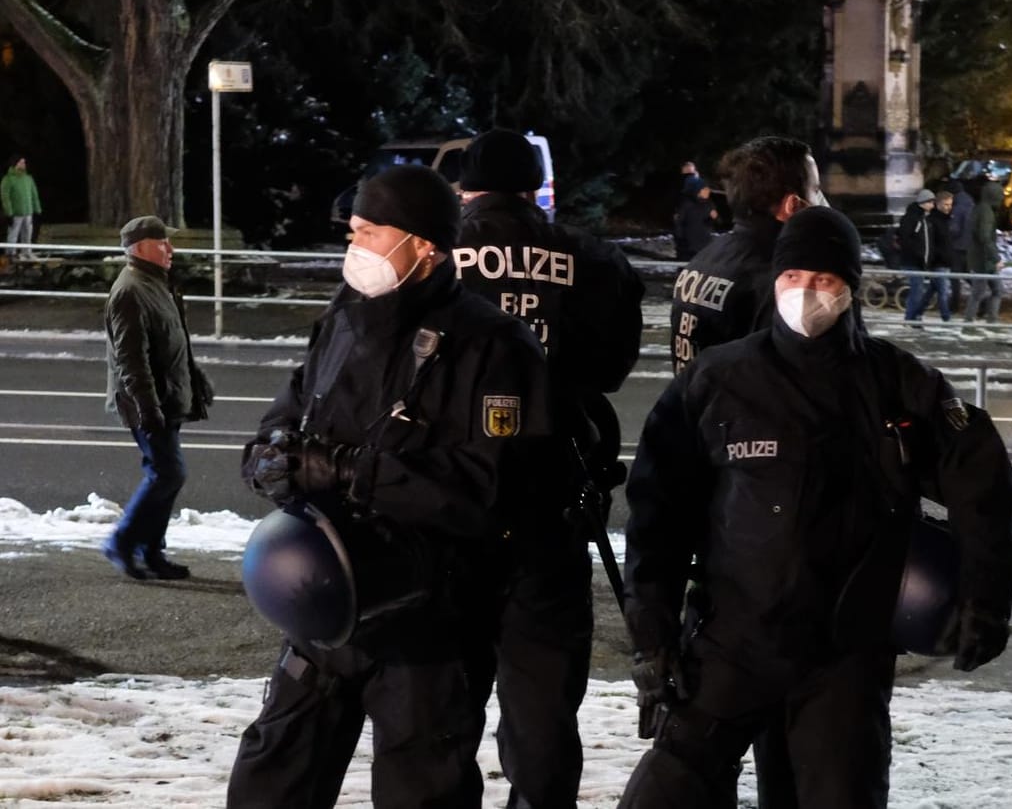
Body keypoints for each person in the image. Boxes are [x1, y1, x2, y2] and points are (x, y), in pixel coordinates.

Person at [618, 206, 1012, 808]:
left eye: (824, 280)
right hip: (733, 638)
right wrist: (652, 632)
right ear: (773, 282)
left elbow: (985, 490)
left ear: (851, 288)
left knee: (839, 794)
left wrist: (984, 601)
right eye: (792, 278)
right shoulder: (716, 381)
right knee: (668, 790)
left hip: (845, 652)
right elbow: (659, 514)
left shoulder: (899, 383)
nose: (805, 292)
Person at [227, 165, 550, 808]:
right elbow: (287, 415)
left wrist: (351, 473)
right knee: (272, 773)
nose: (355, 248)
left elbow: (486, 489)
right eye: (354, 232)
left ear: (423, 246)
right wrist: (266, 458)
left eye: (371, 233)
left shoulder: (490, 344)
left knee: (421, 788)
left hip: (428, 619)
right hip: (323, 608)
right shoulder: (344, 319)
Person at [451, 127, 644, 808]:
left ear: (469, 187)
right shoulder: (592, 258)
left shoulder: (431, 250)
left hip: (442, 504)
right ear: (535, 186)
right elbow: (613, 369)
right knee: (541, 705)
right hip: (550, 495)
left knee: (437, 704)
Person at [101, 216, 213, 581]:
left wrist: (195, 380)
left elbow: (173, 341)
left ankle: (151, 551)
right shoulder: (130, 291)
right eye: (163, 242)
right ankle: (123, 541)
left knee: (165, 473)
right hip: (148, 402)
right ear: (140, 248)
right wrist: (147, 407)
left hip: (165, 396)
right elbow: (130, 358)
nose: (171, 249)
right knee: (168, 472)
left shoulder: (157, 283)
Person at [670, 136, 825, 374]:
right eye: (815, 190)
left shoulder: (704, 260)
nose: (820, 202)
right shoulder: (784, 278)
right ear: (793, 204)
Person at [899, 188, 949, 324]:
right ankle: (911, 319)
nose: (933, 206)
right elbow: (907, 239)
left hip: (921, 261)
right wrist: (919, 254)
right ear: (924, 202)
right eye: (931, 202)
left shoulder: (924, 219)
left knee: (919, 291)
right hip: (914, 261)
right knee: (916, 291)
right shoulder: (913, 219)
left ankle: (913, 318)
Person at [963, 179, 1004, 325]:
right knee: (982, 292)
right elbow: (985, 237)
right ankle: (974, 320)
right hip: (984, 259)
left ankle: (990, 319)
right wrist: (996, 257)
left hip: (981, 257)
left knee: (994, 289)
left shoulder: (980, 208)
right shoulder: (987, 212)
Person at [1, 155, 41, 262]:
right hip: (16, 213)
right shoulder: (8, 179)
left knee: (27, 233)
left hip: (28, 212)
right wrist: (9, 213)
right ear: (15, 164)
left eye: (24, 162)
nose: (23, 164)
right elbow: (5, 197)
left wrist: (37, 209)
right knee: (13, 233)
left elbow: (34, 194)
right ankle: (11, 254)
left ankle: (26, 252)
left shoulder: (28, 178)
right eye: (21, 162)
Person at [942, 179, 974, 312]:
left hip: (957, 246)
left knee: (954, 275)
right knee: (966, 273)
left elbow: (954, 229)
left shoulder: (957, 207)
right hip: (968, 245)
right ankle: (982, 292)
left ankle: (954, 304)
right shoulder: (970, 203)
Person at [673, 175, 717, 261]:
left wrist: (713, 218)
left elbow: (715, 224)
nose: (708, 191)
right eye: (705, 189)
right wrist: (682, 243)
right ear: (697, 191)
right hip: (688, 248)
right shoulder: (686, 205)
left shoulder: (709, 205)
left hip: (704, 246)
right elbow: (678, 225)